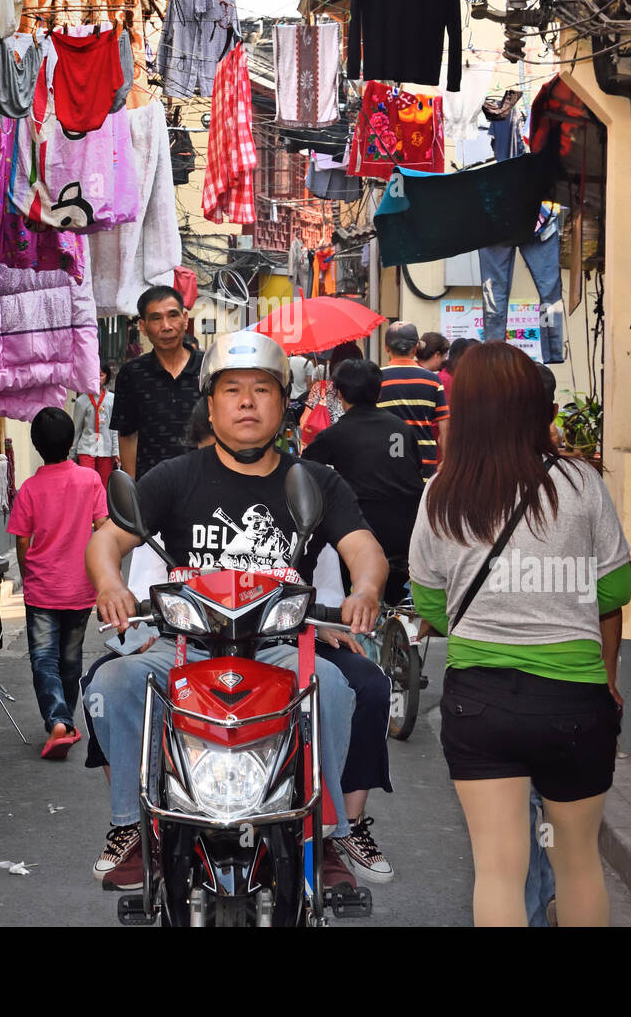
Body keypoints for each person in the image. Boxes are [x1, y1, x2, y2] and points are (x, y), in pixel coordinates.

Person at [84, 331, 389, 890]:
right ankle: (134, 825)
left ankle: (324, 835)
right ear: (212, 403)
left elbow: (363, 548)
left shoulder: (315, 481)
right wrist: (109, 583)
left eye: (261, 390)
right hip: (186, 648)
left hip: (279, 647)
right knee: (114, 682)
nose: (247, 402)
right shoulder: (174, 477)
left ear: (283, 402)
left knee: (337, 689)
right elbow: (107, 540)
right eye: (232, 390)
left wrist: (365, 589)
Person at [409, 340, 631, 927]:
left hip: (478, 702)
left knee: (498, 871)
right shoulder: (581, 484)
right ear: (536, 405)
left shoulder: (441, 494)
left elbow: (431, 605)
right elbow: (614, 593)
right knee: (579, 862)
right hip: (573, 701)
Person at [9, 406, 109, 760]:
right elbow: (103, 528)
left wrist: (25, 574)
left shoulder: (30, 489)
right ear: (71, 441)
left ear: (36, 445)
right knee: (70, 659)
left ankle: (58, 721)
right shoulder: (90, 481)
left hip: (43, 587)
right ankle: (64, 721)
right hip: (81, 587)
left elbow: (22, 540)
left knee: (44, 660)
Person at [304, 359, 423, 605]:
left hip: (361, 530)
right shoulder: (400, 428)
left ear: (339, 393)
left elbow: (304, 470)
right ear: (379, 391)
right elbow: (413, 469)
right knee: (396, 600)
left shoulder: (335, 434)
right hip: (408, 529)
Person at [111, 286, 204, 481]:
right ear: (143, 327)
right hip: (152, 487)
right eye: (156, 318)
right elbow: (128, 436)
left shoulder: (209, 367)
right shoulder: (132, 374)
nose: (166, 326)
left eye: (173, 316)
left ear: (185, 319)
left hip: (204, 485)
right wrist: (133, 493)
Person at [378, 321, 449, 479]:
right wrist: (446, 460)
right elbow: (445, 429)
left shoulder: (377, 379)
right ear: (416, 348)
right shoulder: (433, 381)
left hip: (386, 465)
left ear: (386, 348)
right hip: (425, 464)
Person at [71, 365, 119, 488]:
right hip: (86, 448)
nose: (97, 379)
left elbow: (114, 428)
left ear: (107, 377)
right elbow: (76, 429)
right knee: (86, 484)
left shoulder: (112, 400)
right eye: (94, 375)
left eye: (101, 375)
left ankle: (102, 508)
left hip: (106, 449)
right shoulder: (82, 401)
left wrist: (116, 451)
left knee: (103, 486)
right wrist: (72, 454)